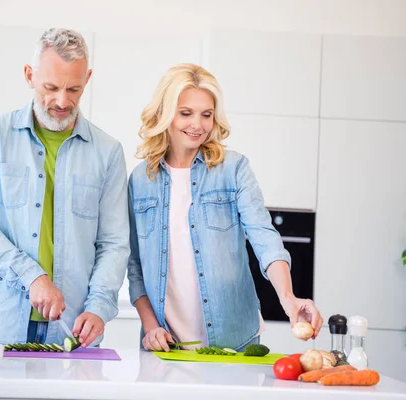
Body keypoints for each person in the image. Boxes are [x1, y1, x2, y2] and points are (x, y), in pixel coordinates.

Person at [127, 63, 322, 352]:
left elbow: (264, 237)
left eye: (206, 115)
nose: (198, 125)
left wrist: (288, 297)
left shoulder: (233, 169)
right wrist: (151, 326)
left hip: (234, 341)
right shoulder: (141, 180)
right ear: (164, 113)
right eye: (185, 113)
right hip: (166, 347)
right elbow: (136, 268)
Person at [0, 28, 130, 348]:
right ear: (29, 75)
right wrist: (32, 276)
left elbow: (114, 243)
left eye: (74, 89)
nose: (62, 101)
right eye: (50, 87)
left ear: (87, 79)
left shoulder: (107, 152)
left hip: (73, 332)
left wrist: (99, 308)